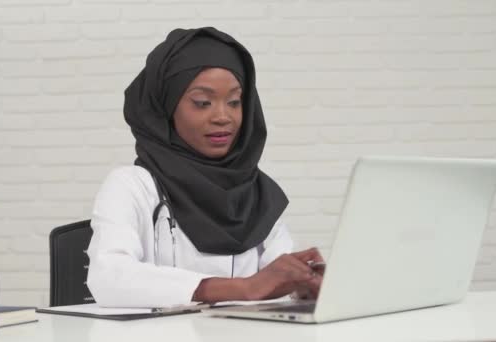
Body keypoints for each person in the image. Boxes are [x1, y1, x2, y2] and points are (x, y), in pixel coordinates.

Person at [86, 27, 323, 308]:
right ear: (166, 107)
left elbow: (274, 274)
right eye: (202, 103)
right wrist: (242, 288)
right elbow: (108, 278)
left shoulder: (256, 191)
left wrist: (304, 284)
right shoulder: (131, 186)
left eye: (235, 102)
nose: (223, 117)